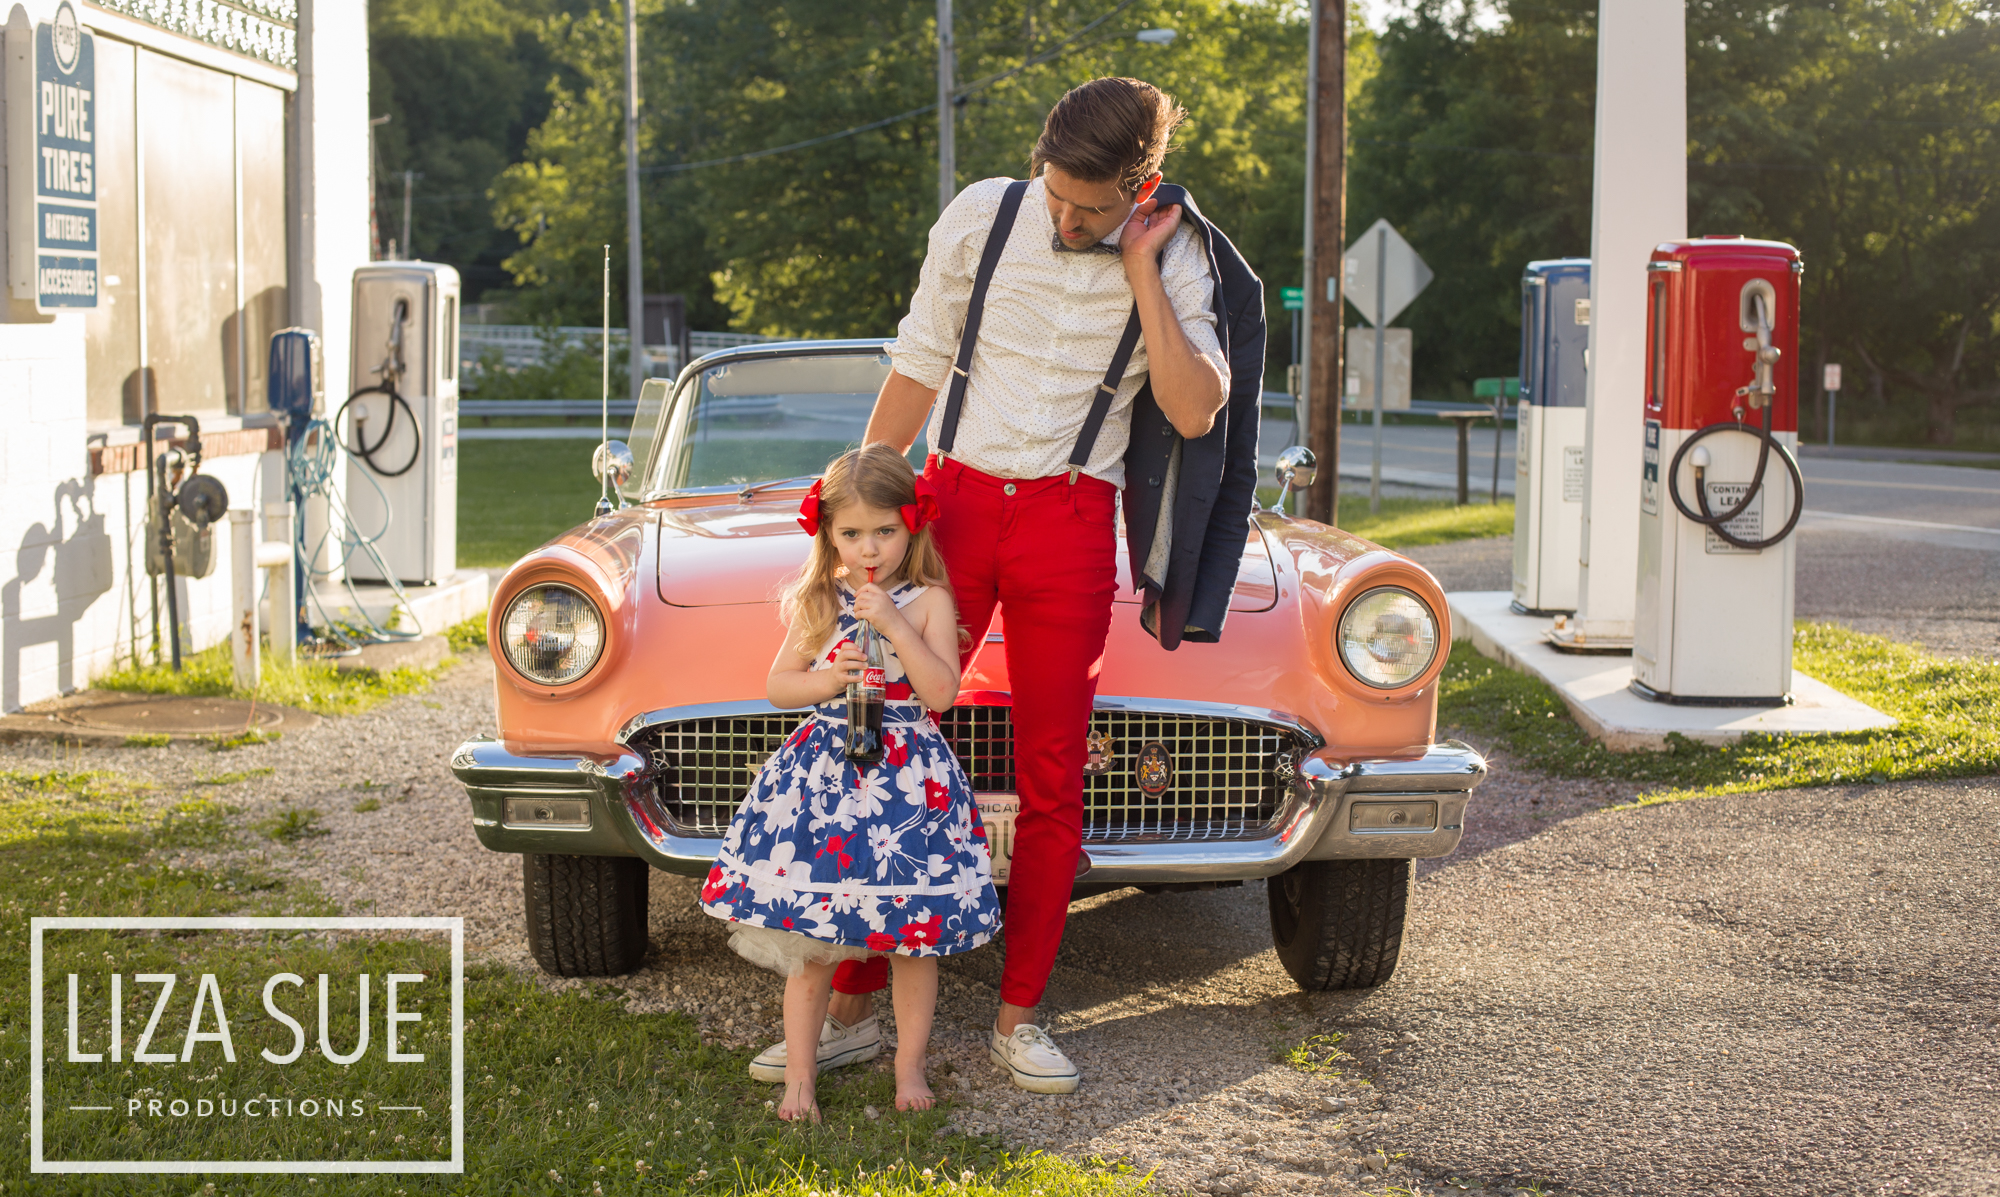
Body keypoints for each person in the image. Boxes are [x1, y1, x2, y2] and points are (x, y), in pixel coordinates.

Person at [755, 75, 1266, 1097]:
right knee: (884, 740)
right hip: (952, 505)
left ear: (1141, 186)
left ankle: (1018, 1016)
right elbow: (918, 359)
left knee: (1051, 775)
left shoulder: (1175, 257)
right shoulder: (985, 214)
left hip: (1072, 521)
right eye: (1055, 195)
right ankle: (852, 1005)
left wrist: (1138, 269)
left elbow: (1196, 405)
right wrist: (847, 509)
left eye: (1089, 206)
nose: (1064, 217)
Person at [700, 444, 1001, 1122]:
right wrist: (827, 678)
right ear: (829, 533)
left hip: (907, 789)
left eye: (885, 531)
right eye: (852, 533)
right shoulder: (820, 600)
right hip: (829, 783)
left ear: (911, 527)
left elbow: (943, 692)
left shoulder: (928, 599)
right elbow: (779, 685)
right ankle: (800, 1078)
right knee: (813, 944)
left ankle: (908, 1065)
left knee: (912, 941)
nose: (871, 548)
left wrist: (894, 620)